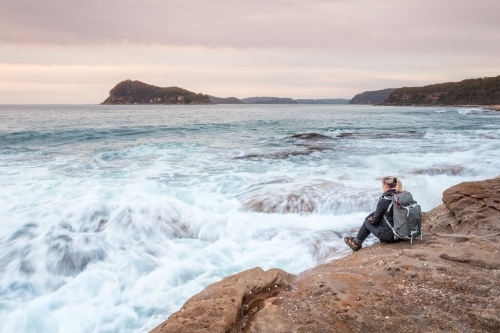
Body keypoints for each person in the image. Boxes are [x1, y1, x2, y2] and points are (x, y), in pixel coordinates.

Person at [344, 176, 403, 252]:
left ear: (385, 185)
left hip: (390, 236)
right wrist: (372, 216)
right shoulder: (400, 196)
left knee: (366, 223)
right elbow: (387, 212)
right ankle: (356, 241)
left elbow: (375, 221)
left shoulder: (384, 200)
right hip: (402, 233)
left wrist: (370, 219)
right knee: (372, 219)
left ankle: (355, 244)